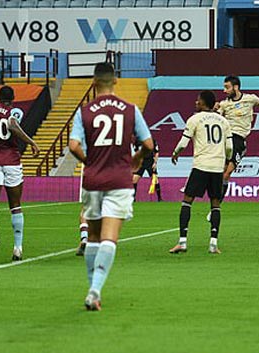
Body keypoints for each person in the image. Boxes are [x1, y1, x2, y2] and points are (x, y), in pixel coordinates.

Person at [69, 62, 154, 311]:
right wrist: (134, 160)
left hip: (94, 178)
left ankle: (91, 289)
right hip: (119, 179)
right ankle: (95, 290)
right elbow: (148, 144)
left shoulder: (84, 111)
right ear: (115, 81)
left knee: (93, 236)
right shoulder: (130, 109)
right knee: (110, 237)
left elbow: (74, 146)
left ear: (94, 83)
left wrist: (89, 161)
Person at [0, 86, 40, 261]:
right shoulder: (13, 112)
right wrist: (31, 142)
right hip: (11, 160)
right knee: (15, 205)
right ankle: (17, 248)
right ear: (13, 97)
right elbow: (12, 125)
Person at [170, 90, 233, 255]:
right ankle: (213, 243)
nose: (196, 103)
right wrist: (226, 160)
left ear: (204, 103)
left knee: (187, 201)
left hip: (201, 166)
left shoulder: (194, 119)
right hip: (217, 168)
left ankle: (182, 242)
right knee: (215, 204)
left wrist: (175, 153)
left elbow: (183, 142)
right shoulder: (223, 121)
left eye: (198, 101)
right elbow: (229, 147)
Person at [215, 76, 259, 208]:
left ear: (236, 87)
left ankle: (217, 204)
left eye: (227, 87)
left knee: (227, 173)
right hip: (227, 138)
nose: (224, 90)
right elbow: (216, 116)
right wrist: (215, 109)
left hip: (239, 139)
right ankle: (215, 203)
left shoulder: (250, 99)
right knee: (221, 171)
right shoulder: (224, 104)